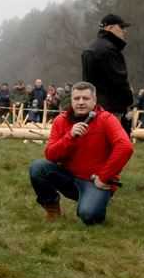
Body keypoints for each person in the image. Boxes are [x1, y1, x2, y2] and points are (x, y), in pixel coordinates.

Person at [28, 81, 133, 224]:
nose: (81, 102)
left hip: (95, 182)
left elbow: (125, 146)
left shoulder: (107, 119)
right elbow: (50, 155)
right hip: (69, 178)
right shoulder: (61, 120)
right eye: (77, 98)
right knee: (38, 168)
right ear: (71, 100)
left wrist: (104, 177)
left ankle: (95, 203)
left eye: (86, 98)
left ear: (94, 100)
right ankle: (52, 209)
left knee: (89, 216)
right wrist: (69, 137)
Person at [82, 14, 134, 134]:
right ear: (109, 28)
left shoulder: (89, 49)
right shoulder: (110, 50)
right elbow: (120, 81)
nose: (124, 31)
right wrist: (129, 101)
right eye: (121, 27)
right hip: (112, 108)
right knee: (115, 144)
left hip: (94, 106)